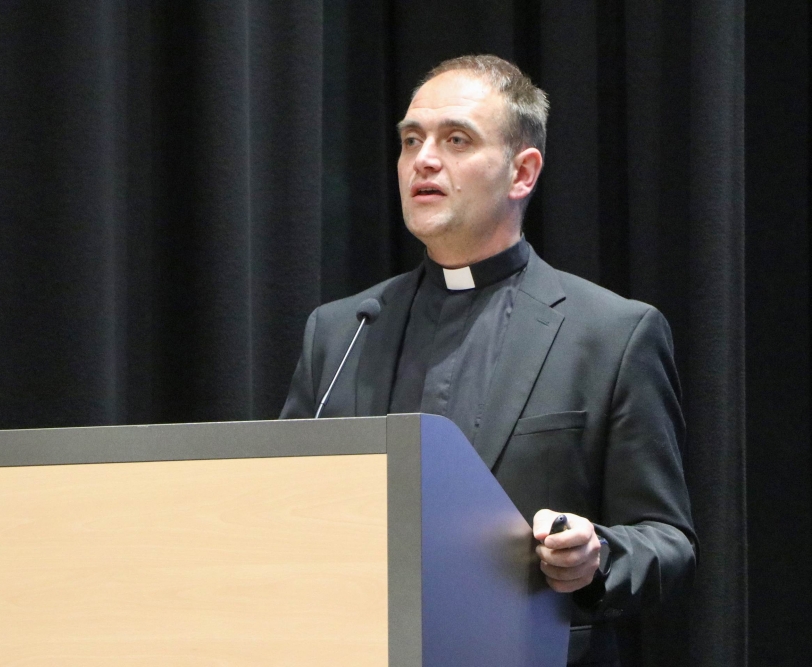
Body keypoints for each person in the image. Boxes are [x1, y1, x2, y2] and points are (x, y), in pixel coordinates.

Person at [280, 55, 696, 666]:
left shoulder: (611, 333)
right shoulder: (342, 332)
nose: (423, 160)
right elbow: (281, 507)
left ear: (522, 172)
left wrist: (596, 554)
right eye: (411, 140)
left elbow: (666, 539)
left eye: (456, 140)